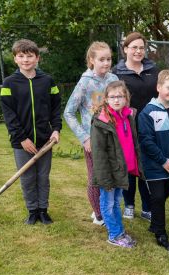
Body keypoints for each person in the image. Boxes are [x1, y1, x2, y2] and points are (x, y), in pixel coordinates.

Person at [0, 39, 61, 225]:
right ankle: (32, 211)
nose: (25, 60)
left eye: (29, 56)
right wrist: (21, 139)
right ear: (15, 59)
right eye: (21, 56)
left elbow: (56, 107)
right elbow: (9, 114)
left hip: (45, 140)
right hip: (21, 142)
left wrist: (56, 129)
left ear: (37, 58)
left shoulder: (48, 81)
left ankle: (43, 210)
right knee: (27, 178)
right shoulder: (8, 84)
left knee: (43, 177)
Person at [64, 41, 118, 226]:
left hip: (113, 139)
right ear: (91, 60)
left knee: (111, 176)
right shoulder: (85, 82)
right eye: (101, 59)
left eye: (109, 59)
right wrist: (84, 137)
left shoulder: (113, 80)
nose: (106, 63)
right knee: (96, 177)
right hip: (93, 140)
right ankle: (99, 214)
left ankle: (109, 209)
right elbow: (68, 112)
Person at [112, 32, 159, 221]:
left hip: (150, 126)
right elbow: (111, 97)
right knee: (129, 166)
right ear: (125, 50)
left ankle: (147, 207)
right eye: (134, 47)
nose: (138, 51)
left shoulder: (153, 70)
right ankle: (129, 204)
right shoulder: (116, 72)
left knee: (146, 167)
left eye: (141, 47)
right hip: (126, 127)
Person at [139, 70, 169, 252]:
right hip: (155, 166)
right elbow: (146, 141)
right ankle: (160, 234)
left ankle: (154, 224)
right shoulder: (148, 113)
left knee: (164, 195)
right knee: (158, 197)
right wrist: (163, 161)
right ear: (158, 87)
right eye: (168, 88)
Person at [91, 81, 141, 248]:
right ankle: (114, 235)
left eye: (120, 96)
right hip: (109, 172)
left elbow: (133, 143)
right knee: (108, 202)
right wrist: (104, 178)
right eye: (113, 97)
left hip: (122, 169)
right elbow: (99, 153)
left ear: (126, 98)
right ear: (106, 99)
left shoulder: (128, 116)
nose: (117, 100)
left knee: (117, 201)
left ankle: (119, 231)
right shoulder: (101, 121)